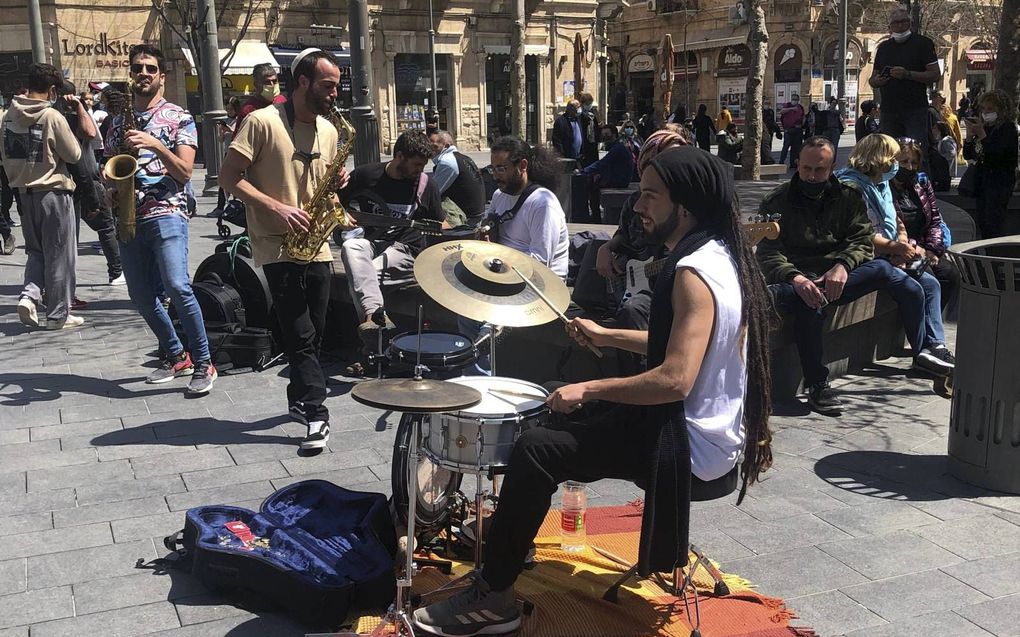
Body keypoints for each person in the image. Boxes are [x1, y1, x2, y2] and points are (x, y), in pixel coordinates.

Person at [413, 145, 774, 637]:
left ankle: (495, 595)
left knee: (538, 447)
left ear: (683, 207)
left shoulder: (691, 274)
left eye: (650, 195)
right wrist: (606, 336)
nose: (639, 205)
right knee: (550, 412)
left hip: (685, 446)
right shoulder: (719, 256)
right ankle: (506, 536)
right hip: (701, 433)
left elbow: (675, 379)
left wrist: (591, 388)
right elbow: (686, 343)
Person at [758, 137, 950, 416]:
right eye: (806, 169)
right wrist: (795, 279)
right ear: (796, 165)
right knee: (808, 305)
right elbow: (768, 252)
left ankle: (924, 351)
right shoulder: (776, 201)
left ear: (831, 167)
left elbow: (861, 240)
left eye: (820, 170)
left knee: (890, 274)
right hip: (801, 277)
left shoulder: (847, 196)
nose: (812, 176)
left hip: (839, 275)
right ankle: (818, 384)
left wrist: (843, 266)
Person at [220, 48, 349, 450]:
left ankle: (297, 398)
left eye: (337, 87)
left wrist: (338, 186)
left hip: (317, 242)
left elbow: (318, 185)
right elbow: (228, 177)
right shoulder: (260, 122)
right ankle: (315, 412)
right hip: (276, 243)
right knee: (301, 331)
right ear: (303, 83)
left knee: (317, 329)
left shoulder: (329, 130)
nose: (334, 94)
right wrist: (277, 207)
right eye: (328, 86)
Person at [104, 44, 216, 394]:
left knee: (177, 286)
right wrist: (109, 185)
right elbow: (108, 167)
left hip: (167, 210)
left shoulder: (179, 117)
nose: (144, 73)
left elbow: (184, 171)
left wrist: (156, 145)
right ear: (131, 73)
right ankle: (174, 354)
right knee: (140, 295)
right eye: (138, 68)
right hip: (129, 214)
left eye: (151, 68)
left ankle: (203, 363)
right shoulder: (118, 122)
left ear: (161, 76)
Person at [836, 134, 955, 373]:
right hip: (865, 257)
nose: (897, 165)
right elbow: (863, 235)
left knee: (933, 283)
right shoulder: (853, 188)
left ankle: (935, 347)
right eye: (893, 158)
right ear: (878, 158)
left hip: (890, 253)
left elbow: (896, 220)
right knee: (915, 289)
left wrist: (902, 243)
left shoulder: (880, 184)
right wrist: (895, 250)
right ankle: (924, 353)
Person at [458, 136, 570, 374]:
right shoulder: (500, 196)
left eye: (501, 168)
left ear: (522, 166)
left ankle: (485, 383)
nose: (495, 175)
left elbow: (541, 262)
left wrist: (500, 267)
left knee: (487, 328)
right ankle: (475, 377)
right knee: (464, 309)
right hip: (503, 278)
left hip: (538, 286)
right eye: (492, 168)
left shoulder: (542, 203)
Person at [339, 130, 445, 366]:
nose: (420, 170)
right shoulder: (366, 175)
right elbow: (336, 200)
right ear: (399, 156)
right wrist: (343, 216)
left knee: (363, 277)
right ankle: (378, 322)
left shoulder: (427, 185)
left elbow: (439, 224)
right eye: (416, 164)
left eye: (423, 165)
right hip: (373, 243)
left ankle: (373, 341)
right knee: (351, 246)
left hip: (406, 250)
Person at [595, 126, 689, 376]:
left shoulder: (692, 205)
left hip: (676, 287)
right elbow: (624, 234)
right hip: (637, 284)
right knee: (632, 309)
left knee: (637, 310)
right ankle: (633, 383)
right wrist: (606, 247)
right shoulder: (634, 203)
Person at [2, 63, 84, 329]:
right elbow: (74, 155)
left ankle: (29, 296)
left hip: (23, 195)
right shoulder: (51, 116)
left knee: (36, 252)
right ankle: (58, 315)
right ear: (51, 90)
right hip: (53, 193)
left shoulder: (6, 117)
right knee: (60, 254)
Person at [58, 80, 123, 286]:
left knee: (102, 227)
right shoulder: (56, 117)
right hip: (75, 182)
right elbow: (90, 135)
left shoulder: (71, 116)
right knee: (97, 229)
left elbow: (90, 134)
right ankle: (115, 272)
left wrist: (79, 108)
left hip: (80, 181)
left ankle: (115, 271)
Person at [890, 138, 960, 312]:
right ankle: (926, 331)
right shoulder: (883, 186)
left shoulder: (920, 182)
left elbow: (935, 220)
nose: (910, 167)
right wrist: (913, 248)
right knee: (927, 279)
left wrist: (933, 249)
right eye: (904, 161)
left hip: (924, 246)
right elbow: (888, 228)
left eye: (914, 162)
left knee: (950, 275)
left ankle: (930, 323)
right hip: (901, 248)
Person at [869, 7, 942, 152]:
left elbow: (935, 74)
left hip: (915, 110)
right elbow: (872, 79)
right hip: (889, 110)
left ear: (910, 23)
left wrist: (908, 74)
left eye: (904, 21)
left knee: (917, 151)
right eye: (896, 23)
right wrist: (877, 81)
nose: (900, 26)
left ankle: (920, 175)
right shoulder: (883, 48)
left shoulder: (923, 44)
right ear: (890, 26)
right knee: (889, 153)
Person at [962, 89, 1018, 239]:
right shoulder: (985, 127)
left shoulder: (1007, 129)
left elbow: (997, 155)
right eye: (984, 108)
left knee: (994, 223)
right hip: (983, 182)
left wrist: (982, 135)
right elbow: (969, 155)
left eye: (990, 109)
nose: (986, 112)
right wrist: (969, 136)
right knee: (983, 222)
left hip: (999, 183)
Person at [578, 124, 636, 223]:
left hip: (620, 180)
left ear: (614, 134)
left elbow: (603, 163)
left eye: (607, 134)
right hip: (619, 177)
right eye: (603, 134)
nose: (604, 137)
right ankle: (594, 215)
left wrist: (584, 171)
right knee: (594, 180)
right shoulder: (616, 146)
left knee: (593, 186)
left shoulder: (618, 148)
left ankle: (594, 218)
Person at [429, 129, 486, 228]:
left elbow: (433, 193)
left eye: (434, 146)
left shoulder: (447, 162)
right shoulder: (463, 158)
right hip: (476, 214)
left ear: (446, 146)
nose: (430, 150)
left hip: (466, 219)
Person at [235, 62, 285, 133]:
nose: (272, 85)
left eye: (274, 81)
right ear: (256, 85)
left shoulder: (282, 101)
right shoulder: (248, 110)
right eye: (267, 82)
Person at [930, 90, 962, 163]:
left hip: (947, 142)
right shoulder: (931, 111)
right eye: (933, 97)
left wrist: (959, 145)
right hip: (936, 143)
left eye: (936, 97)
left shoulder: (952, 117)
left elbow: (957, 133)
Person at [779, 94, 806, 169]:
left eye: (796, 99)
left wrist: (803, 123)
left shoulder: (800, 107)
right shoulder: (787, 105)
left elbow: (803, 116)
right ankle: (781, 162)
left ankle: (793, 164)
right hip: (789, 129)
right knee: (786, 146)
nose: (794, 101)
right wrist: (792, 109)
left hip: (798, 129)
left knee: (796, 148)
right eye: (793, 99)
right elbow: (782, 111)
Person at [577, 92, 600, 168]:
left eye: (590, 103)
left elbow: (597, 126)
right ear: (583, 104)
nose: (589, 105)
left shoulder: (593, 113)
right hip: (584, 144)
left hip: (593, 143)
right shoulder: (579, 115)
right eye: (587, 104)